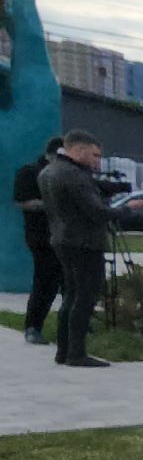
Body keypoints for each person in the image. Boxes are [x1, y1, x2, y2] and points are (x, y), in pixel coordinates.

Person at [38, 130, 134, 368]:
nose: (97, 161)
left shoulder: (49, 171)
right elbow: (96, 212)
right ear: (79, 150)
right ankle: (76, 353)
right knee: (84, 296)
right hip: (84, 242)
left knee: (71, 295)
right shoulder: (74, 175)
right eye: (95, 155)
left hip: (62, 239)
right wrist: (127, 210)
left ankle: (64, 350)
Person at [13, 135, 65, 346]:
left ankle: (70, 325)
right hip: (41, 237)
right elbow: (22, 202)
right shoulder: (30, 172)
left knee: (70, 283)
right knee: (45, 282)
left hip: (66, 237)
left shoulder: (66, 175)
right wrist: (52, 204)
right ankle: (33, 326)